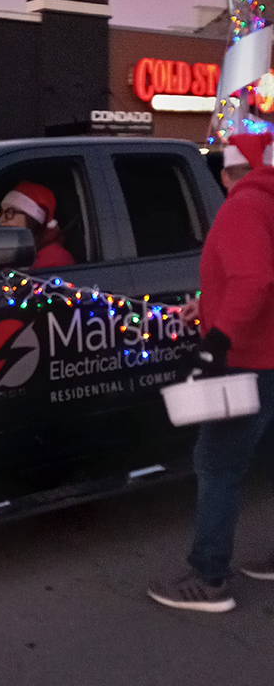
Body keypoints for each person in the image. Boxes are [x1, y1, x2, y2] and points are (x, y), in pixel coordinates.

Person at [147, 131, 274, 613]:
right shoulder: (268, 204)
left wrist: (217, 338)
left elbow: (255, 279)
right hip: (271, 359)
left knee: (218, 465)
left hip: (247, 362)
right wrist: (206, 306)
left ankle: (208, 577)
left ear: (225, 173)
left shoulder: (242, 208)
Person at [0, 182, 75, 269]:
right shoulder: (13, 254)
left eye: (10, 212)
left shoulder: (54, 259)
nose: (1, 219)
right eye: (1, 213)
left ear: (31, 219)